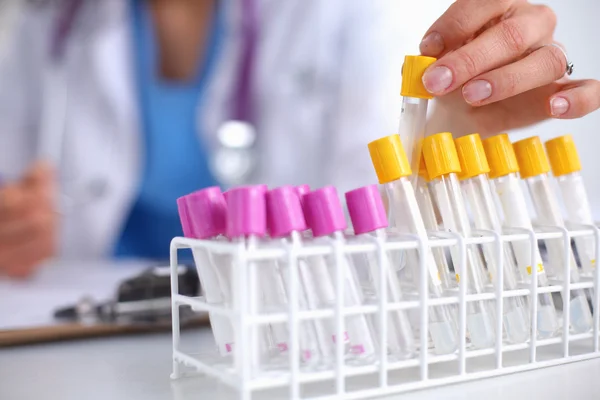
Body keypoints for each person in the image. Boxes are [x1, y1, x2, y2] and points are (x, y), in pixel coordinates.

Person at [0, 0, 598, 278]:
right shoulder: (50, 24)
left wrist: (448, 135)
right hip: (91, 328)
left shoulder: (343, 14)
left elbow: (380, 234)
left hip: (285, 332)